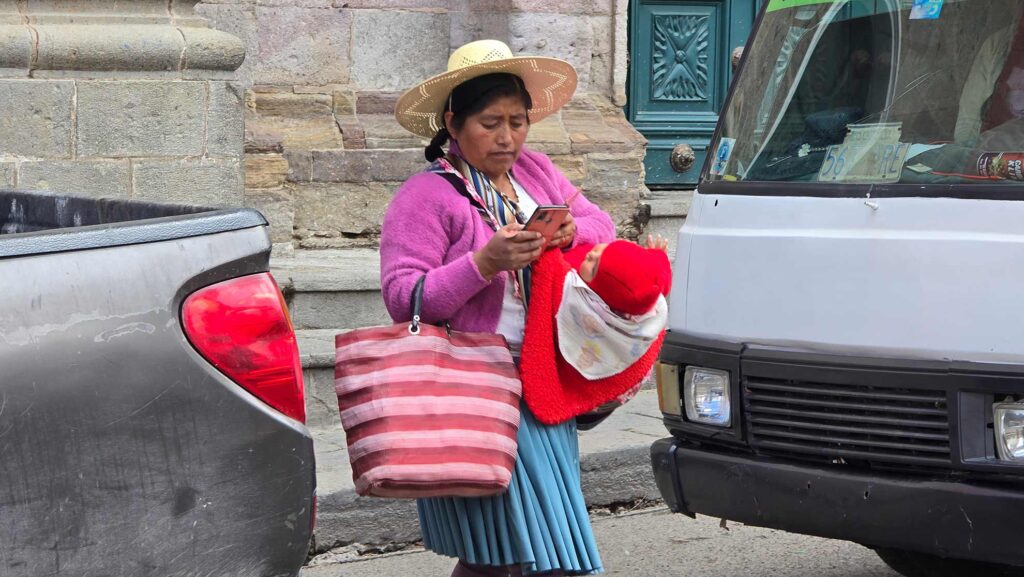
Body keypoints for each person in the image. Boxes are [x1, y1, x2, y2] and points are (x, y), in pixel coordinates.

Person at [381, 39, 617, 576]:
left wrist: (572, 232)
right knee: (516, 549)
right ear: (453, 123)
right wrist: (483, 264)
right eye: (490, 123)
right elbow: (404, 298)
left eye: (517, 121)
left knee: (516, 551)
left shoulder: (535, 173)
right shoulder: (426, 197)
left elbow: (602, 224)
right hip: (478, 387)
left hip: (543, 382)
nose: (507, 137)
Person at [519, 236, 672, 428]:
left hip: (589, 398)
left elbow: (552, 268)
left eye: (593, 268)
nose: (591, 254)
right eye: (605, 249)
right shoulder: (648, 296)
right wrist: (657, 256)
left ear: (596, 293)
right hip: (611, 397)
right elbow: (660, 277)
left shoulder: (581, 300)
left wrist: (547, 252)